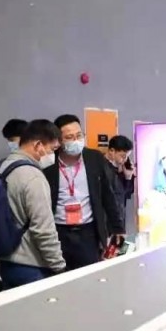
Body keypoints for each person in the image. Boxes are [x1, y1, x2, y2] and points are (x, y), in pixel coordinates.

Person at [45, 114, 125, 270]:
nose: (76, 140)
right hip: (58, 231)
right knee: (59, 276)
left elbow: (107, 194)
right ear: (59, 140)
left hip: (88, 231)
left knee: (88, 274)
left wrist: (118, 227)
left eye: (79, 135)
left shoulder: (94, 158)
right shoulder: (49, 162)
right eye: (69, 137)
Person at [0, 120, 66, 288]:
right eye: (52, 149)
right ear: (38, 145)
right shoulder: (33, 177)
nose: (53, 155)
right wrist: (59, 266)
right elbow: (43, 229)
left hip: (5, 261)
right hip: (31, 265)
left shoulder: (3, 167)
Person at [104, 135, 136, 231]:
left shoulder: (119, 169)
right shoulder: (102, 168)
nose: (125, 160)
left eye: (127, 157)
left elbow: (126, 194)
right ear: (112, 151)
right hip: (106, 222)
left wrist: (128, 177)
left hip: (119, 219)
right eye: (123, 156)